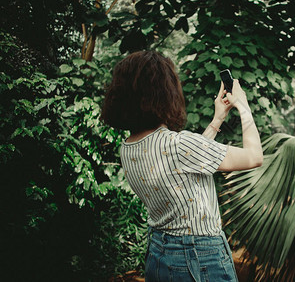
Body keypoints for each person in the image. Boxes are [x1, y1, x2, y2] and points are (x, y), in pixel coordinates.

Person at [100, 50, 263, 282]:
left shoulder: (127, 148)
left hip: (159, 254)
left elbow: (187, 164)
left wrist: (218, 118)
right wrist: (243, 106)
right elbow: (254, 156)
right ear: (164, 93)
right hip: (199, 258)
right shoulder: (179, 144)